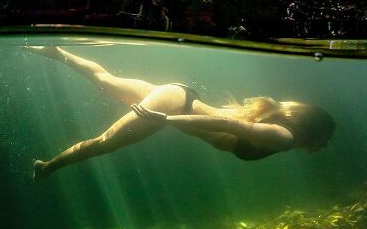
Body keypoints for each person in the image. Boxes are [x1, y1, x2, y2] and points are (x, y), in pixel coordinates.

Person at [25, 45, 335, 180]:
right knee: (103, 143)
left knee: (106, 81)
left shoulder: (279, 126)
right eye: (325, 139)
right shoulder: (282, 136)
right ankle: (47, 168)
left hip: (179, 96)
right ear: (312, 129)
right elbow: (224, 123)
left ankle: (60, 53)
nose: (324, 146)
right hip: (175, 104)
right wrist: (166, 119)